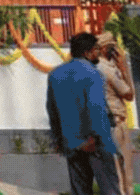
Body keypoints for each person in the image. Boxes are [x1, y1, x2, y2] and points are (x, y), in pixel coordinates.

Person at [46, 32, 121, 195]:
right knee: (110, 189)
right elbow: (96, 108)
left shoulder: (55, 75)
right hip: (95, 143)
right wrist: (96, 138)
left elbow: (52, 110)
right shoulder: (93, 74)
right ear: (87, 52)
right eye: (96, 49)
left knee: (80, 190)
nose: (98, 53)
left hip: (72, 143)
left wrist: (58, 139)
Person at [97, 32, 136, 195]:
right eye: (113, 47)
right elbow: (129, 94)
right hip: (115, 122)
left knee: (116, 167)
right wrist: (124, 68)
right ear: (105, 49)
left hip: (107, 121)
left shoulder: (98, 66)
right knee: (122, 167)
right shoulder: (108, 70)